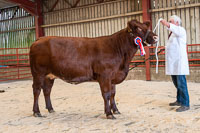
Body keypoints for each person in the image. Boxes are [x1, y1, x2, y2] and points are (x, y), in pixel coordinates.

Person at [160, 15, 190, 112]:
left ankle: (186, 104)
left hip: (179, 62)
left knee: (181, 83)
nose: (169, 23)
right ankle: (179, 100)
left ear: (177, 23)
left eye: (171, 21)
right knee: (176, 83)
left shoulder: (180, 30)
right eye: (169, 21)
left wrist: (166, 23)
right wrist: (165, 48)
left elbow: (172, 28)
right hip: (173, 63)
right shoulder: (172, 34)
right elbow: (172, 45)